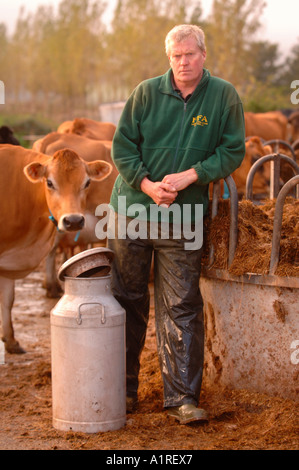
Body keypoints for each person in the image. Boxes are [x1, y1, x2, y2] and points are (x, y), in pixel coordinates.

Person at [107, 24, 245, 424]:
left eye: (190, 54)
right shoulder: (146, 92)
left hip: (184, 217)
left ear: (203, 54)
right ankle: (122, 390)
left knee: (182, 304)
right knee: (125, 300)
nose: (183, 62)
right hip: (132, 211)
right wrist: (148, 185)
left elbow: (232, 150)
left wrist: (192, 176)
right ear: (169, 58)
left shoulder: (223, 96)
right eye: (176, 56)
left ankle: (182, 398)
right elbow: (122, 146)